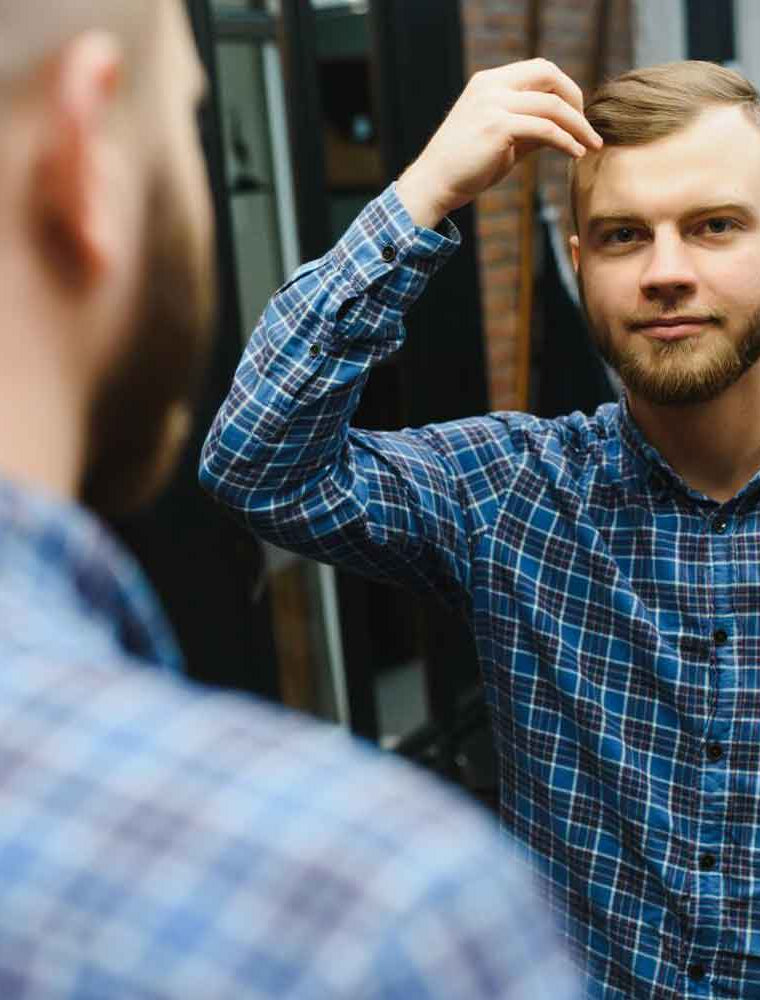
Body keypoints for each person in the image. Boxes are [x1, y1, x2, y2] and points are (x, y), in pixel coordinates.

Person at [0, 4, 579, 998]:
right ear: (83, 159)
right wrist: (415, 201)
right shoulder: (355, 917)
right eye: (186, 120)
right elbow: (262, 461)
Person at [201, 56, 760, 998]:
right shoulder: (512, 491)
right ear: (579, 263)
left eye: (715, 226)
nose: (667, 272)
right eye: (624, 236)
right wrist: (422, 194)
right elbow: (257, 460)